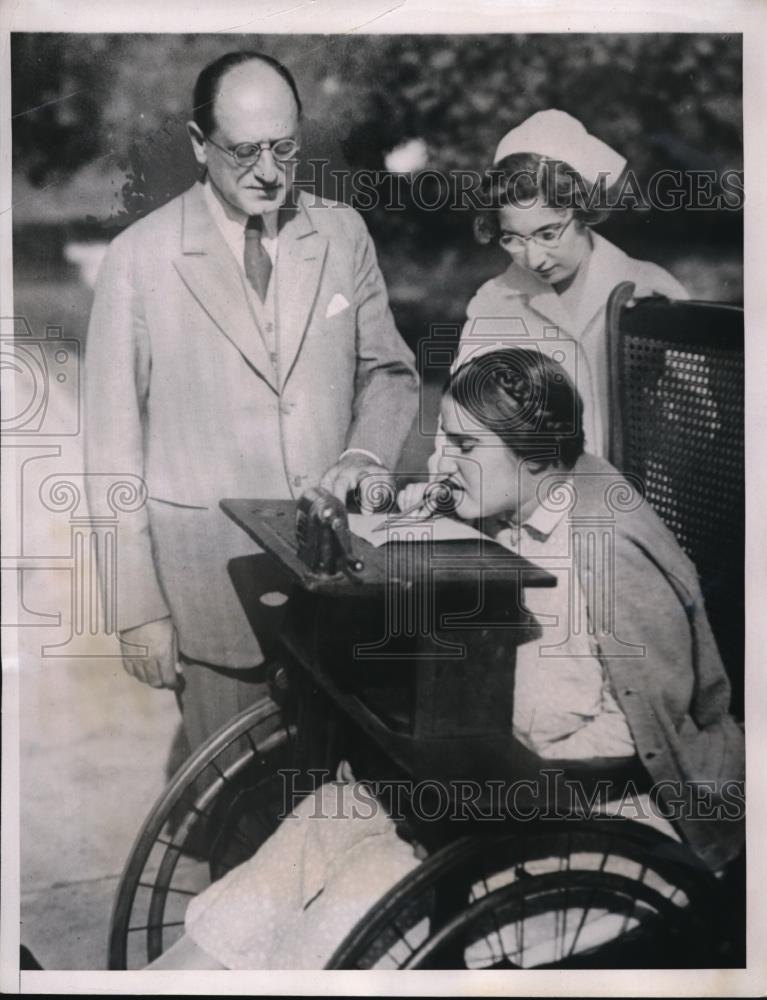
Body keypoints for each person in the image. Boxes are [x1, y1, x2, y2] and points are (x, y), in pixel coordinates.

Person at [147, 348, 743, 970]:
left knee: (349, 906)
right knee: (310, 834)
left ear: (535, 452)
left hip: (587, 817)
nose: (443, 463)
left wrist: (473, 779)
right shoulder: (516, 493)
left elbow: (648, 739)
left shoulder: (609, 554)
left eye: (463, 446)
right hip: (469, 776)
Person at [84, 51, 419, 751]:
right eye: (243, 151)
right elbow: (110, 449)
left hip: (334, 581)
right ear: (198, 145)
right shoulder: (139, 258)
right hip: (207, 589)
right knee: (232, 811)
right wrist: (136, 607)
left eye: (284, 147)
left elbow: (388, 372)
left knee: (344, 808)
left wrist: (362, 454)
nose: (268, 171)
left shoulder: (339, 233)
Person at [420, 109, 687, 484]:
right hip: (533, 511)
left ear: (583, 212)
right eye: (513, 238)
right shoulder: (495, 302)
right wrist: (444, 488)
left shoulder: (651, 291)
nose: (534, 258)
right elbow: (459, 424)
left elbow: (699, 433)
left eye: (548, 233)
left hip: (642, 505)